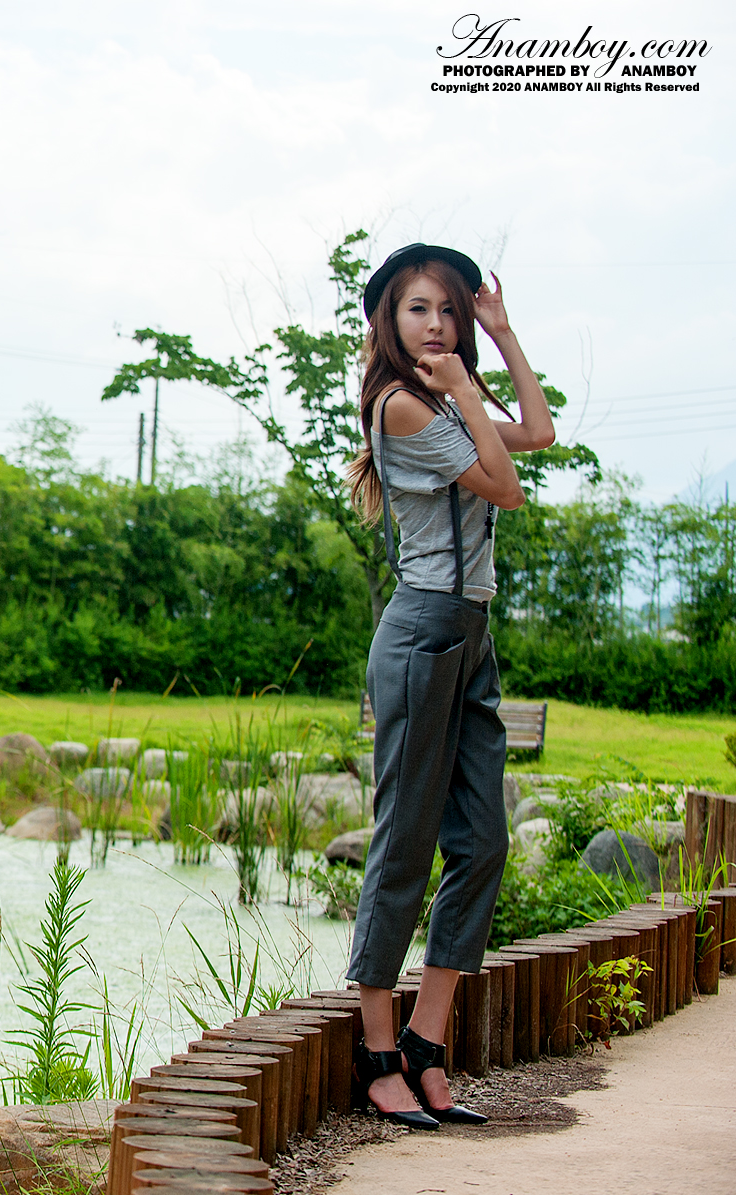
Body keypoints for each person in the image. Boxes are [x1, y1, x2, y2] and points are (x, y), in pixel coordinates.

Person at [340, 243, 555, 1129]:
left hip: (471, 635)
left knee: (484, 841)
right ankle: (377, 1052)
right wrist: (467, 388)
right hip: (424, 629)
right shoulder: (400, 405)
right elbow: (506, 487)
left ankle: (427, 1042)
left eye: (449, 309)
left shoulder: (448, 399)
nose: (437, 324)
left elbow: (538, 431)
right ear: (388, 322)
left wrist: (502, 338)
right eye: (418, 307)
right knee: (405, 838)